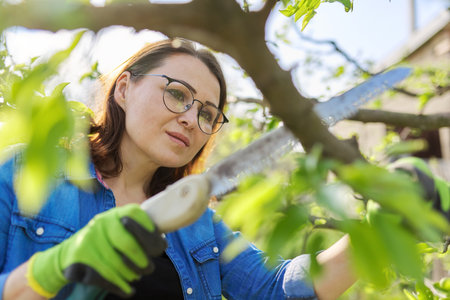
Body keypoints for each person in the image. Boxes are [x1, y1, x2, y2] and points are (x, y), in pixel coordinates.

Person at [0, 38, 356, 300]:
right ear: (124, 89)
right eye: (177, 93)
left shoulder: (195, 221)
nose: (190, 119)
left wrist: (383, 225)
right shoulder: (23, 172)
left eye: (206, 114)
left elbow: (274, 289)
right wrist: (54, 268)